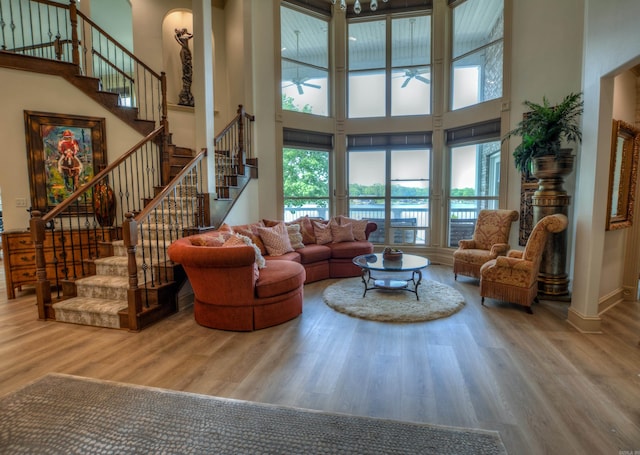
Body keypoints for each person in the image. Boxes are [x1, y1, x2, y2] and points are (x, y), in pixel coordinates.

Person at [175, 28, 194, 106]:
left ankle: (187, 93)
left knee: (189, 71)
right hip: (184, 52)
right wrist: (177, 34)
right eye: (183, 30)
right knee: (185, 70)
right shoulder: (182, 37)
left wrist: (186, 32)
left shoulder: (185, 36)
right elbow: (176, 37)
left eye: (184, 30)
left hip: (187, 52)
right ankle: (185, 94)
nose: (183, 31)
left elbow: (192, 35)